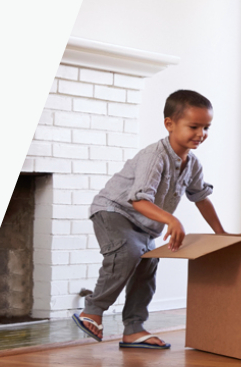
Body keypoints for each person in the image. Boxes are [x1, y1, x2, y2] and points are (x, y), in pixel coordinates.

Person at [71, 89, 226, 350]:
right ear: (169, 124)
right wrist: (172, 221)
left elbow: (201, 198)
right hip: (114, 211)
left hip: (144, 225)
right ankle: (92, 310)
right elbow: (138, 200)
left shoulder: (193, 164)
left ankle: (134, 329)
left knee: (147, 266)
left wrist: (221, 233)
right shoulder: (155, 157)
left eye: (206, 127)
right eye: (194, 126)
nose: (201, 133)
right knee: (128, 253)